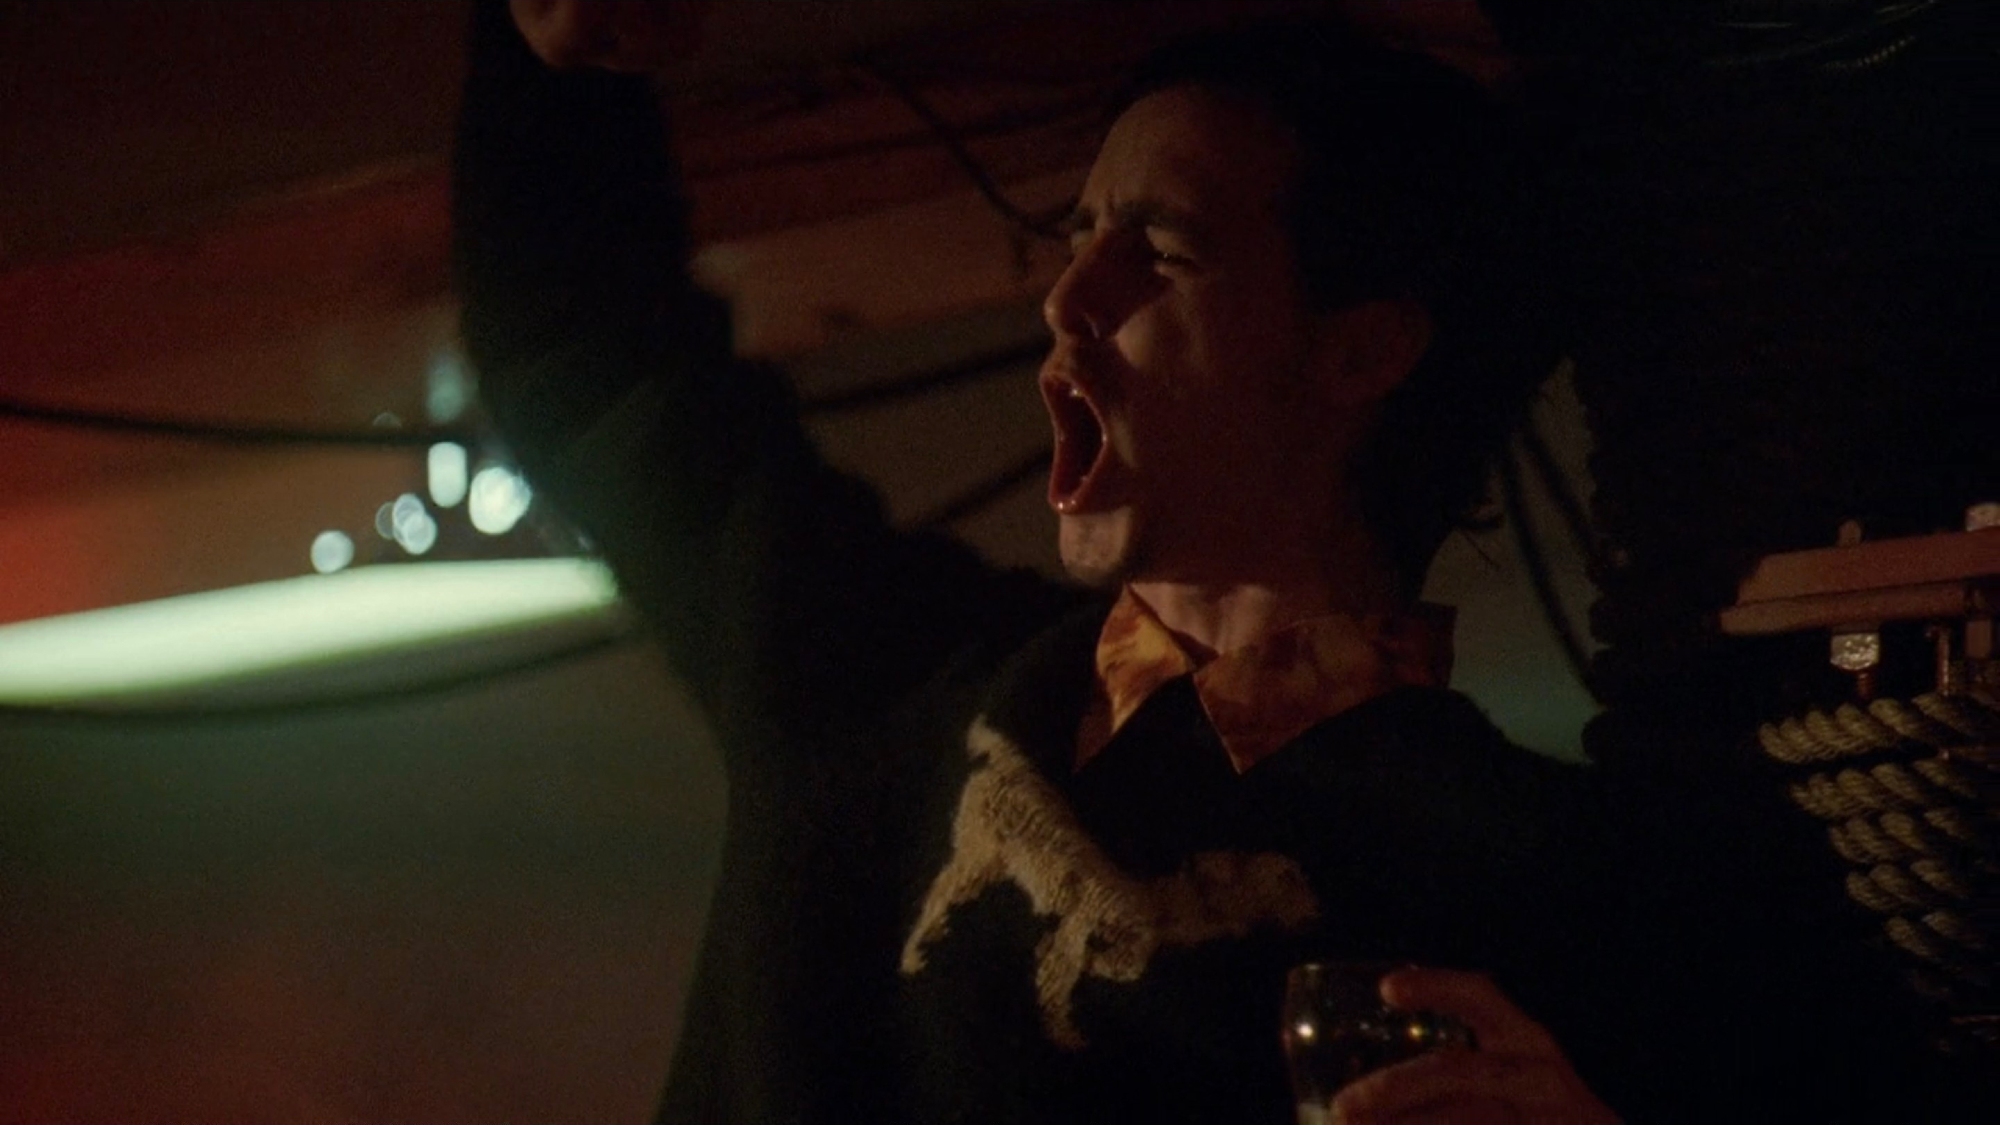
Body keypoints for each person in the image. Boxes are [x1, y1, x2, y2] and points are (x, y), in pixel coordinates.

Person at [455, 1, 1620, 1121]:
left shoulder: (1516, 876)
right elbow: (602, 378)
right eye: (1079, 235)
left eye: (1159, 252)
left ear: (1361, 350)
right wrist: (563, 66)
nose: (1067, 299)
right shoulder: (881, 661)